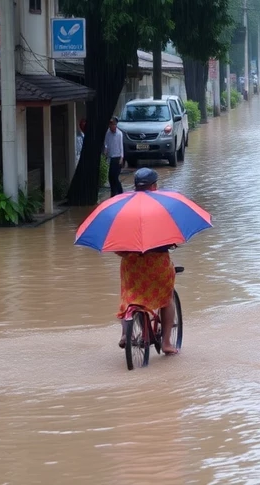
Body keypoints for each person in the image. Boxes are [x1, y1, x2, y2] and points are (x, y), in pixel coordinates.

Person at [116, 168, 178, 354]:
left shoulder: (123, 209)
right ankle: (166, 342)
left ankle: (126, 333)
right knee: (167, 299)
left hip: (132, 264)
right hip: (157, 264)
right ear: (154, 186)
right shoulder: (163, 207)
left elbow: (118, 248)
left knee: (129, 295)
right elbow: (172, 238)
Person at [103, 117, 125, 196]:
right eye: (110, 125)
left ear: (116, 125)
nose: (112, 126)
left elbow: (121, 146)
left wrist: (121, 158)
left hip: (118, 157)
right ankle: (113, 192)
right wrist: (105, 152)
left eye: (113, 125)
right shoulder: (108, 133)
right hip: (110, 157)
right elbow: (106, 144)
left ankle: (120, 192)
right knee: (110, 177)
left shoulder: (119, 134)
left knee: (115, 177)